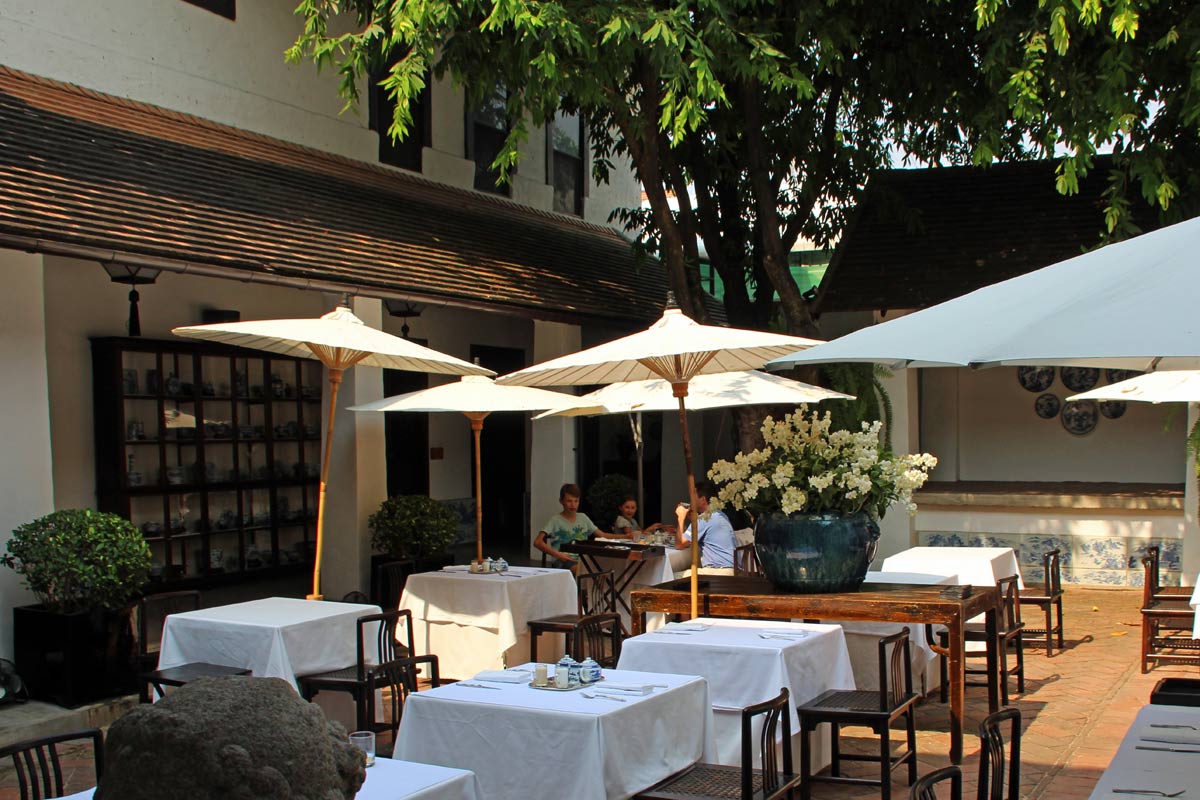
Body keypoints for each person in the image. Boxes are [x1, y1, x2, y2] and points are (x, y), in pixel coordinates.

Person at [534, 483, 600, 570]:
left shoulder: (583, 517)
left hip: (582, 559)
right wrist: (558, 554)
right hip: (562, 560)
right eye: (569, 501)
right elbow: (538, 542)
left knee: (601, 566)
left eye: (576, 501)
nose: (573, 505)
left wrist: (619, 536)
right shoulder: (555, 520)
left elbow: (601, 535)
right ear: (561, 501)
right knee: (583, 570)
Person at [674, 480, 736, 570]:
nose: (691, 501)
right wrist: (693, 520)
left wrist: (681, 517)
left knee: (670, 576)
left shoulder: (704, 518)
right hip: (732, 569)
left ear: (703, 500)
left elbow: (679, 545)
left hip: (719, 571)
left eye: (693, 497)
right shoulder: (720, 514)